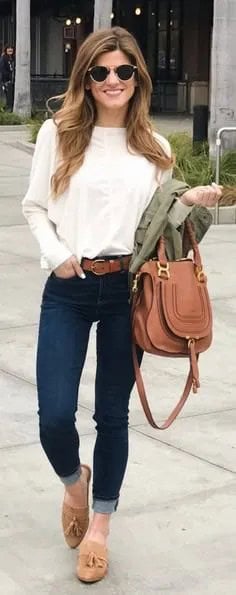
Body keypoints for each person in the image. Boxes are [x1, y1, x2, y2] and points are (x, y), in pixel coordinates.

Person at [22, 26, 222, 584]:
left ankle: (100, 526)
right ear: (85, 78)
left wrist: (191, 201)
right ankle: (74, 484)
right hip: (69, 285)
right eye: (101, 71)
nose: (113, 81)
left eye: (124, 71)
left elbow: (164, 227)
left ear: (138, 78)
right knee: (54, 415)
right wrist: (58, 254)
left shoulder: (155, 148)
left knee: (112, 416)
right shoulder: (57, 134)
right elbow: (35, 206)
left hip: (127, 293)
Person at [0, 45, 15, 110]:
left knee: (12, 94)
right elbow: (2, 69)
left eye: (11, 48)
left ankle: (10, 107)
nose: (10, 50)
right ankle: (7, 108)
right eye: (8, 48)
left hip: (13, 79)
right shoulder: (4, 57)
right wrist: (7, 78)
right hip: (6, 79)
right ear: (6, 50)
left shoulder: (13, 58)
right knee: (7, 94)